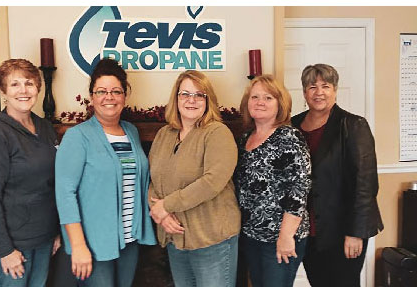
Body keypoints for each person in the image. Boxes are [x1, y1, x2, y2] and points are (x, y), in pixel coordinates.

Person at [55, 58, 156, 287]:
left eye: (115, 91)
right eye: (101, 91)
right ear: (92, 97)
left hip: (129, 240)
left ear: (124, 96)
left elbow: (141, 181)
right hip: (93, 243)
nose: (108, 97)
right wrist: (79, 246)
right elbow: (65, 193)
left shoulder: (131, 132)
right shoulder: (77, 137)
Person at [291, 63, 384, 286]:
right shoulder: (293, 125)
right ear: (304, 92)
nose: (319, 92)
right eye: (312, 87)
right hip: (307, 230)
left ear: (335, 90)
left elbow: (366, 184)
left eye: (326, 86)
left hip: (343, 229)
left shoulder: (352, 125)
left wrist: (356, 233)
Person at [148, 70, 241, 287]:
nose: (192, 100)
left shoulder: (217, 132)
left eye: (199, 95)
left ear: (208, 100)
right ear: (176, 98)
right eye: (185, 94)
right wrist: (160, 214)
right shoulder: (164, 134)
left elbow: (212, 182)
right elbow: (152, 177)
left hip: (212, 240)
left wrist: (167, 205)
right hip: (175, 239)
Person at [0, 58, 61, 287]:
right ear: (3, 90)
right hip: (10, 245)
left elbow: (52, 185)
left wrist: (54, 232)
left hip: (42, 239)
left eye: (29, 83)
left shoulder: (45, 128)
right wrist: (5, 250)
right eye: (15, 84)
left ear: (38, 89)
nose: (23, 90)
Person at [234, 75, 311, 287]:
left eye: (268, 98)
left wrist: (286, 236)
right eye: (255, 96)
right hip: (252, 235)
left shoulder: (289, 137)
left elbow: (299, 189)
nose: (260, 102)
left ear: (280, 103)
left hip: (280, 237)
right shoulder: (245, 138)